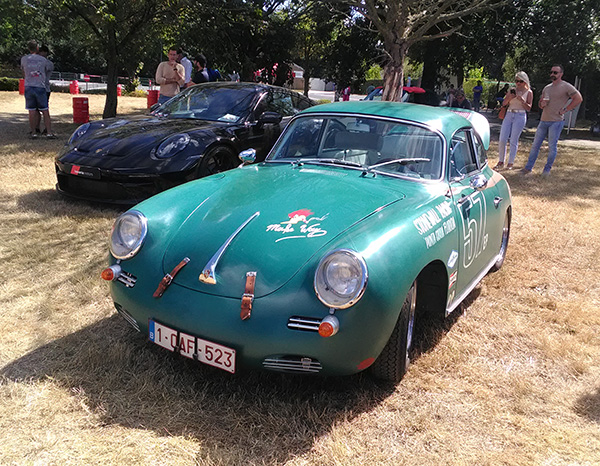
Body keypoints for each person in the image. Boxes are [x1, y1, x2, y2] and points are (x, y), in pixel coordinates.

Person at [521, 64, 583, 176]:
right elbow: (540, 104)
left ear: (561, 74)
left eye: (555, 72)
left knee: (552, 146)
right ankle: (528, 168)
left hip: (556, 121)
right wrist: (542, 104)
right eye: (551, 72)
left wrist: (566, 109)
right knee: (535, 145)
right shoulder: (547, 88)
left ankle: (546, 171)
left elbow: (578, 98)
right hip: (543, 120)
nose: (552, 74)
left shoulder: (566, 86)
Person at [495, 71, 533, 170]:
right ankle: (501, 160)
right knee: (502, 138)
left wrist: (522, 100)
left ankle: (510, 162)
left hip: (520, 115)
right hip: (509, 113)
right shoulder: (512, 90)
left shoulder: (529, 92)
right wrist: (509, 97)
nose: (518, 83)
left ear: (525, 81)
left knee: (513, 140)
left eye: (521, 81)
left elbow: (529, 108)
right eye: (516, 81)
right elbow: (503, 103)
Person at [21, 40, 55, 138]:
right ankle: (49, 132)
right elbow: (45, 72)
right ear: (37, 48)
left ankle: (34, 132)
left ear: (28, 48)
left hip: (28, 86)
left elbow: (23, 73)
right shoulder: (43, 60)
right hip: (40, 86)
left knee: (31, 111)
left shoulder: (24, 59)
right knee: (45, 110)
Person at [34, 44, 54, 136]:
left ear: (45, 53)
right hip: (36, 87)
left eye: (41, 52)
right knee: (36, 109)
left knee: (44, 109)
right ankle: (36, 128)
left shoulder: (48, 63)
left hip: (44, 89)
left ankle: (47, 129)